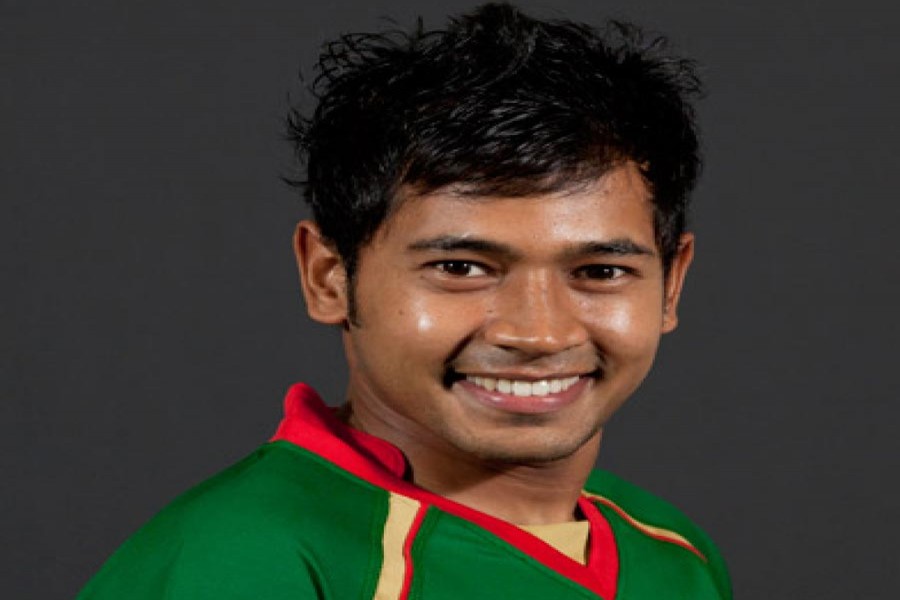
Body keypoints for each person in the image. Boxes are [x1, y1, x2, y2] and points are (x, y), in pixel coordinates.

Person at [78, 3, 731, 598]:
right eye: (460, 268)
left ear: (671, 284)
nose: (539, 333)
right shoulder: (239, 564)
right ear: (329, 276)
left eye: (600, 271)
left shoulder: (674, 554)